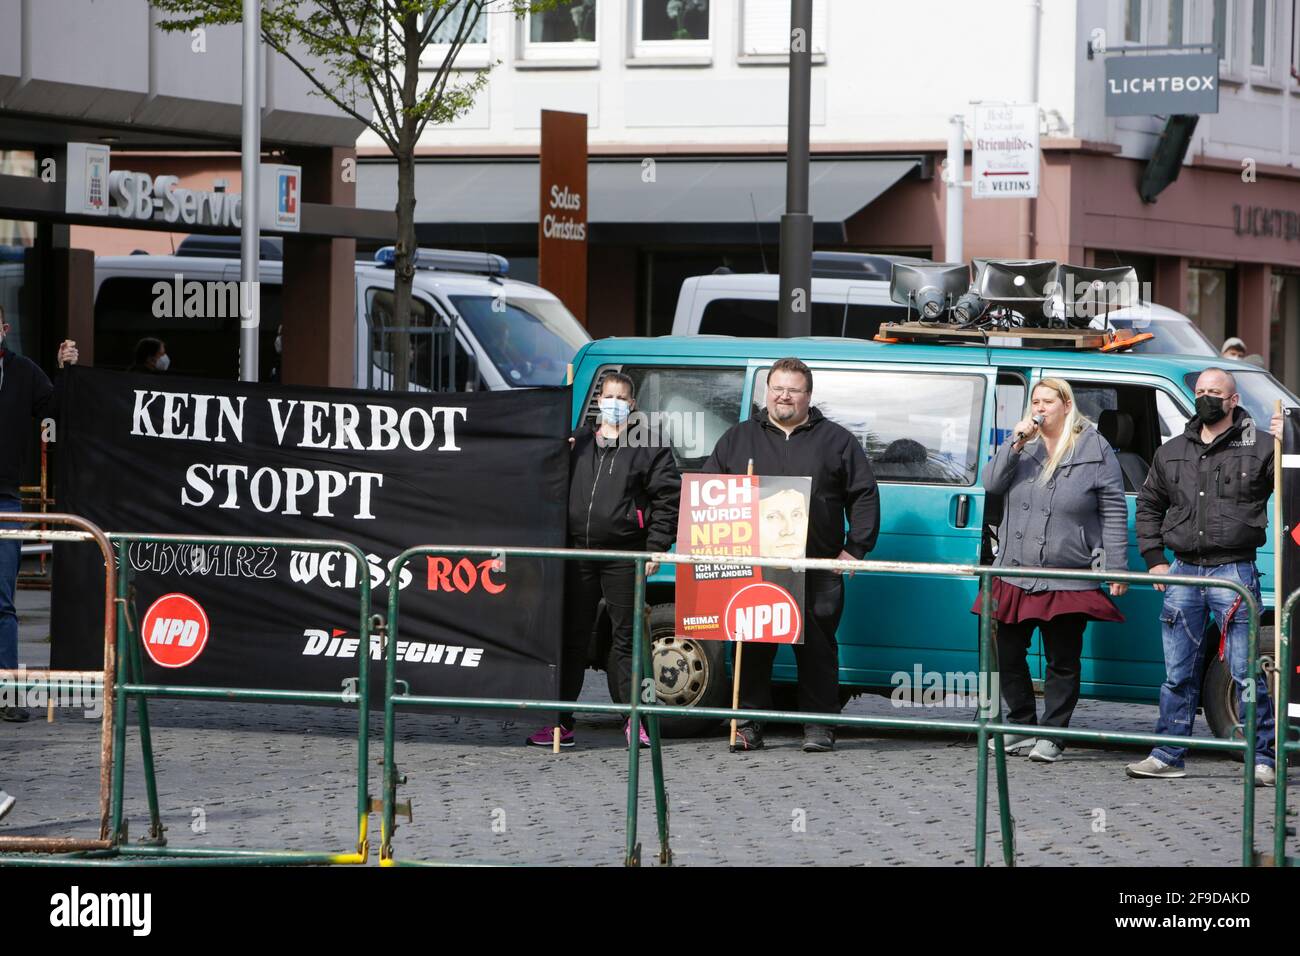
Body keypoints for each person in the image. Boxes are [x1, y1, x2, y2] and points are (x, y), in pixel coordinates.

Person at [702, 356, 880, 753]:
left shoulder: (837, 440)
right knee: (752, 646)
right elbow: (711, 491)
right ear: (766, 391)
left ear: (808, 396)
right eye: (776, 388)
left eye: (793, 390)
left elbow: (864, 493)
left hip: (816, 565)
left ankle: (818, 727)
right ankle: (748, 725)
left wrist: (855, 550)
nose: (783, 396)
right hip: (756, 567)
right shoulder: (738, 438)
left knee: (817, 648)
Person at [1127, 367, 1279, 785]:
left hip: (1235, 569)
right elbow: (1149, 505)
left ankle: (1262, 757)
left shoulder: (1263, 448)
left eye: (1215, 392)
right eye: (1201, 391)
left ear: (1233, 400)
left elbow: (1293, 485)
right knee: (1177, 671)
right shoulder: (1171, 451)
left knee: (1246, 670)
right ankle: (1167, 754)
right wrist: (1154, 557)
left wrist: (1292, 438)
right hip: (1183, 571)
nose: (1206, 397)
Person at [527, 372, 681, 749]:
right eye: (607, 395)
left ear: (632, 405)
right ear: (598, 401)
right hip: (577, 552)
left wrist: (657, 547)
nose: (612, 402)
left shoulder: (649, 445)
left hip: (624, 554)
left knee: (628, 641)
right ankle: (560, 722)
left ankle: (635, 720)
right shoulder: (577, 442)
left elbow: (668, 499)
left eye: (621, 397)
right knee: (571, 638)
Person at [978, 378, 1129, 763]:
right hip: (1014, 571)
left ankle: (1052, 734)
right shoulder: (1022, 446)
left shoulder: (1094, 448)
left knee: (1063, 658)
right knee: (1006, 652)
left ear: (1066, 405)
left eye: (1047, 401)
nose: (1039, 408)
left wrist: (1117, 565)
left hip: (1068, 572)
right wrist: (1015, 443)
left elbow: (1113, 510)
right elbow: (991, 484)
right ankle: (1021, 724)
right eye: (1035, 402)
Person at [0, 306, 78, 722]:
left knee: (3, 603)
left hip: (5, 502)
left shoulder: (23, 372)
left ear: (4, 330)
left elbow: (57, 412)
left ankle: (9, 693)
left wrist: (67, 371)